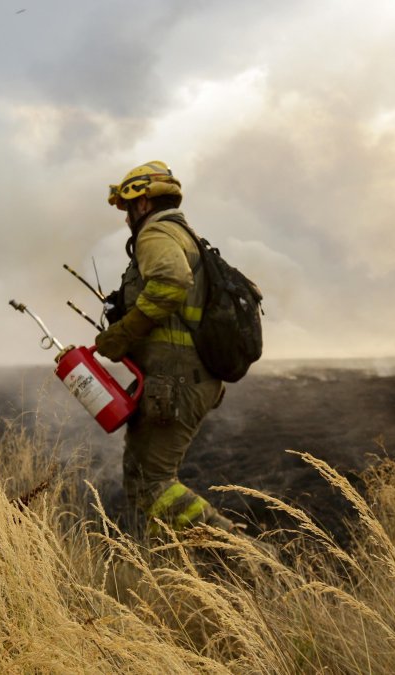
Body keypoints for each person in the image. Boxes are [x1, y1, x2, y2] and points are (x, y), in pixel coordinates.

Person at [94, 161, 239, 537]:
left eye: (127, 209)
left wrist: (123, 333)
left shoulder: (155, 234)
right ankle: (184, 568)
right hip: (188, 379)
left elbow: (171, 281)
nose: (126, 219)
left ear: (142, 203)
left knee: (150, 484)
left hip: (175, 382)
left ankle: (244, 560)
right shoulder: (185, 235)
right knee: (150, 483)